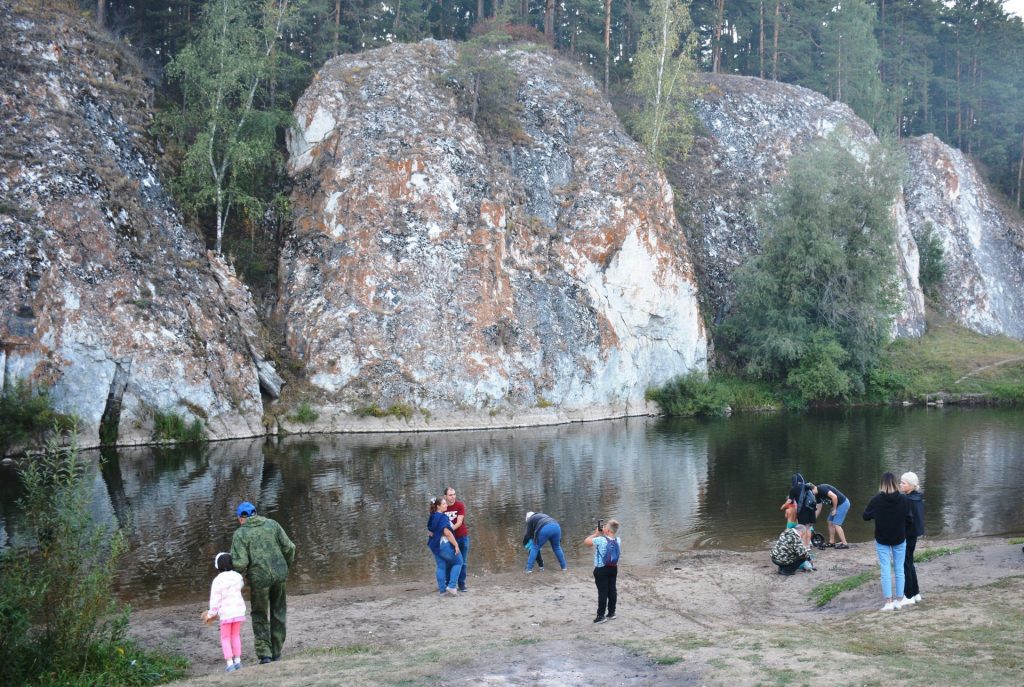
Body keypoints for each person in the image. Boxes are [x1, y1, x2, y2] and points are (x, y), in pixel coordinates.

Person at [230, 501, 296, 664]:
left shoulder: (240, 534)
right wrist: (285, 566)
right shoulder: (272, 524)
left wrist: (231, 578)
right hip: (279, 574)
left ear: (240, 518)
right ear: (256, 513)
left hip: (259, 579)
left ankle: (265, 654)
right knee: (278, 611)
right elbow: (290, 547)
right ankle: (277, 651)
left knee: (259, 613)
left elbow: (240, 563)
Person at [862, 472, 913, 611]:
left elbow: (865, 516)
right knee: (899, 569)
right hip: (899, 538)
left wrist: (876, 514)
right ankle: (899, 600)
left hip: (882, 538)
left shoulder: (876, 500)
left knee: (885, 569)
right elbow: (909, 519)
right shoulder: (904, 499)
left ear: (882, 484)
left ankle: (888, 602)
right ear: (896, 483)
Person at [201, 552, 247, 672]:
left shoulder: (217, 580)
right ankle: (238, 661)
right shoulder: (238, 577)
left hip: (226, 613)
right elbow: (240, 586)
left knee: (225, 638)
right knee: (236, 636)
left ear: (218, 566)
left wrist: (211, 614)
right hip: (239, 611)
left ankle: (229, 663)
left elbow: (215, 600)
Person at [584, 520, 621, 623]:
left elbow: (586, 541)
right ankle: (611, 613)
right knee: (612, 590)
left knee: (602, 592)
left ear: (607, 530)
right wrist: (603, 533)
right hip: (613, 568)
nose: (603, 528)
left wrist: (596, 534)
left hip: (601, 569)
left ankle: (600, 616)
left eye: (605, 527)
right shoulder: (618, 540)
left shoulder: (600, 540)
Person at [427, 496, 463, 596]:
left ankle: (442, 591)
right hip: (443, 544)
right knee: (459, 561)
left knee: (441, 566)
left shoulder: (432, 516)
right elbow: (447, 533)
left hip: (435, 545)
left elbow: (430, 531)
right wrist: (456, 545)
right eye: (443, 504)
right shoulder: (442, 517)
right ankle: (451, 586)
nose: (446, 505)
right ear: (438, 506)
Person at [899, 471, 925, 605]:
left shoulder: (907, 500)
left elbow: (907, 519)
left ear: (911, 485)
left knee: (905, 564)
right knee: (909, 562)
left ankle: (908, 596)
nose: (900, 485)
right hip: (913, 534)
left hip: (907, 535)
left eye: (903, 483)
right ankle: (916, 593)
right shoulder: (917, 497)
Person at [443, 486, 469, 592]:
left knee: (463, 562)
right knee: (449, 561)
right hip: (448, 539)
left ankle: (461, 584)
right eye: (450, 495)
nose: (453, 497)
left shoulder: (460, 505)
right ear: (445, 496)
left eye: (454, 494)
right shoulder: (442, 507)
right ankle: (449, 584)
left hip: (462, 537)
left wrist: (449, 531)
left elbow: (459, 522)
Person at [808, 483, 851, 548]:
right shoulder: (817, 495)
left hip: (843, 504)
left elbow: (834, 497)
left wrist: (834, 509)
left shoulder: (822, 488)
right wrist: (813, 519)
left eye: (810, 493)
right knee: (829, 521)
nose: (811, 495)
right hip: (837, 505)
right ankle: (832, 542)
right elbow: (819, 508)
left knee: (836, 524)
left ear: (812, 489)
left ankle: (845, 544)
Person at [787, 473, 816, 548]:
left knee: (803, 528)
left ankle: (805, 546)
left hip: (803, 511)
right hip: (811, 509)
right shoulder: (807, 486)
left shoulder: (794, 489)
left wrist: (784, 505)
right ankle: (809, 544)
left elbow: (790, 501)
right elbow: (815, 492)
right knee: (808, 527)